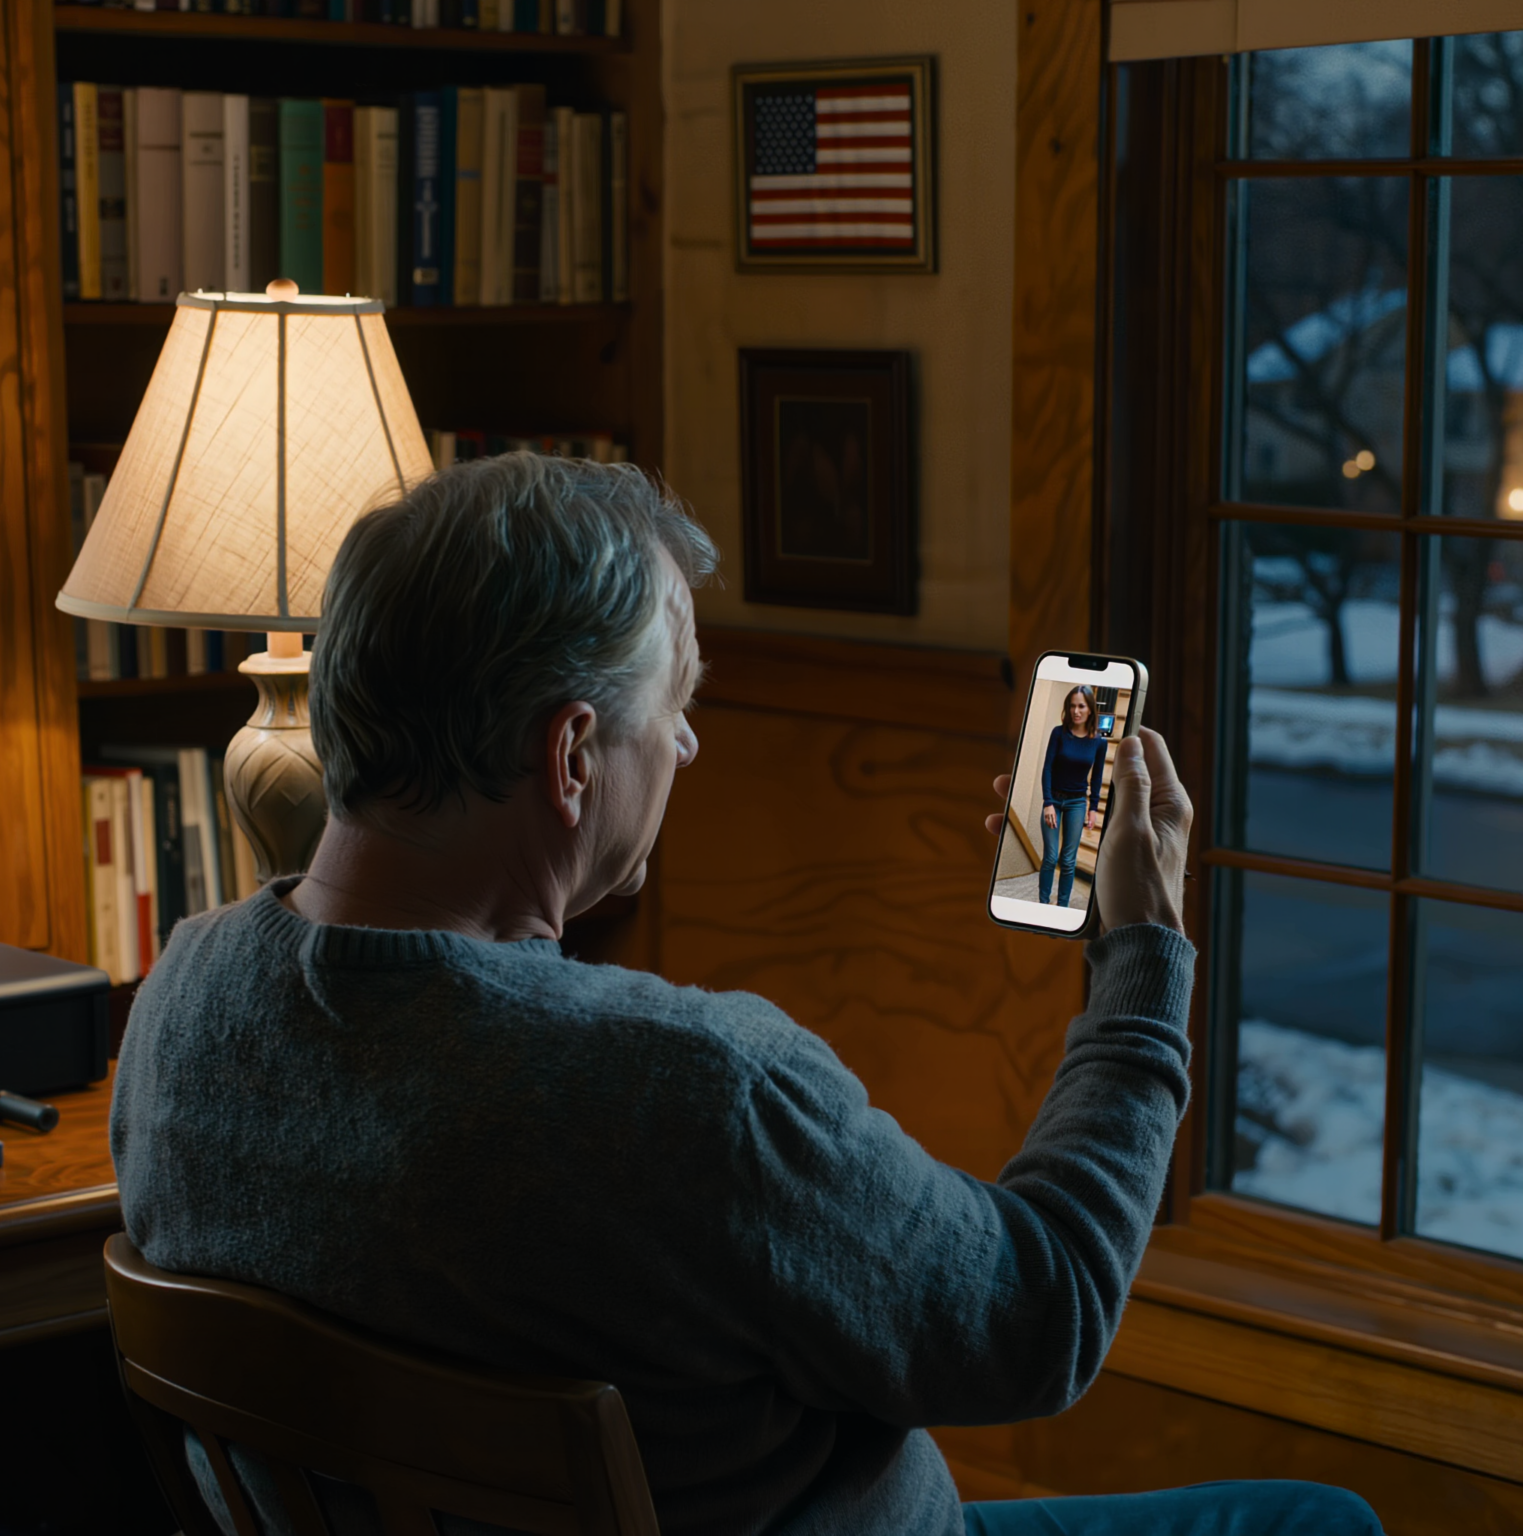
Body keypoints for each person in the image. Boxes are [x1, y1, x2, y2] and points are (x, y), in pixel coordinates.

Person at [111, 455, 1382, 1536]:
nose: (689, 746)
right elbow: (1037, 1314)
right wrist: (1141, 949)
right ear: (568, 755)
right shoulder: (692, 1098)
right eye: (674, 708)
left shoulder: (180, 1002)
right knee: (1321, 1522)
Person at [1039, 685, 1108, 908]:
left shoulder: (1099, 742)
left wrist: (1093, 809)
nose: (1075, 711)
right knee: (1050, 857)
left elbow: (1096, 777)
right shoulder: (1058, 733)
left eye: (1081, 706)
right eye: (1072, 706)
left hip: (1078, 802)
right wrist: (1048, 802)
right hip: (1054, 801)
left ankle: (1062, 908)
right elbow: (1047, 768)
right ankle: (1041, 905)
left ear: (1090, 710)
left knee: (1068, 861)